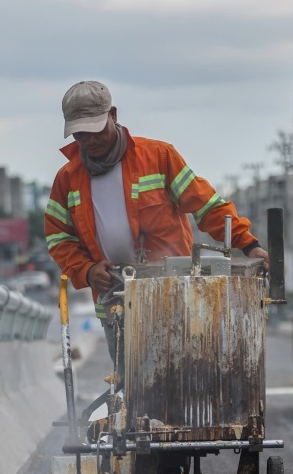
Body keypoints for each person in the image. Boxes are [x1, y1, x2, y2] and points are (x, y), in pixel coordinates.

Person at [44, 80, 269, 385]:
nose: (88, 140)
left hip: (173, 294)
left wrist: (249, 244)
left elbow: (207, 205)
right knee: (133, 387)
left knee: (185, 380)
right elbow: (59, 238)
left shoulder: (159, 157)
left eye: (94, 130)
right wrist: (86, 269)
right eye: (80, 134)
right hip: (116, 299)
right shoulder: (68, 179)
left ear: (112, 114)